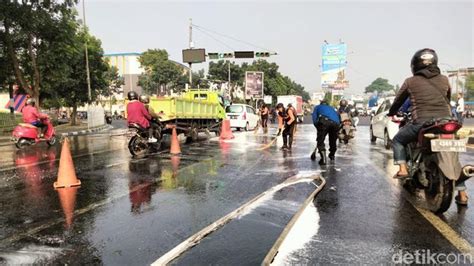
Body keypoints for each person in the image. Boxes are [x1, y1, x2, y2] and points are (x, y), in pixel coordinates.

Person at [387, 48, 468, 205]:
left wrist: (392, 112)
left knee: (397, 140)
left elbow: (398, 101)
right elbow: (447, 98)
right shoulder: (444, 79)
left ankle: (403, 169)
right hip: (446, 121)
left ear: (415, 65)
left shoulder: (410, 81)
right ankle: (463, 195)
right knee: (452, 156)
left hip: (422, 122)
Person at [311, 99, 341, 165]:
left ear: (321, 103)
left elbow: (314, 119)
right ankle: (332, 155)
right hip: (336, 123)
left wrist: (318, 128)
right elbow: (338, 117)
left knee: (320, 141)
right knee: (333, 140)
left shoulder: (317, 107)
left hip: (324, 122)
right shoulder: (332, 108)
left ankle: (323, 159)